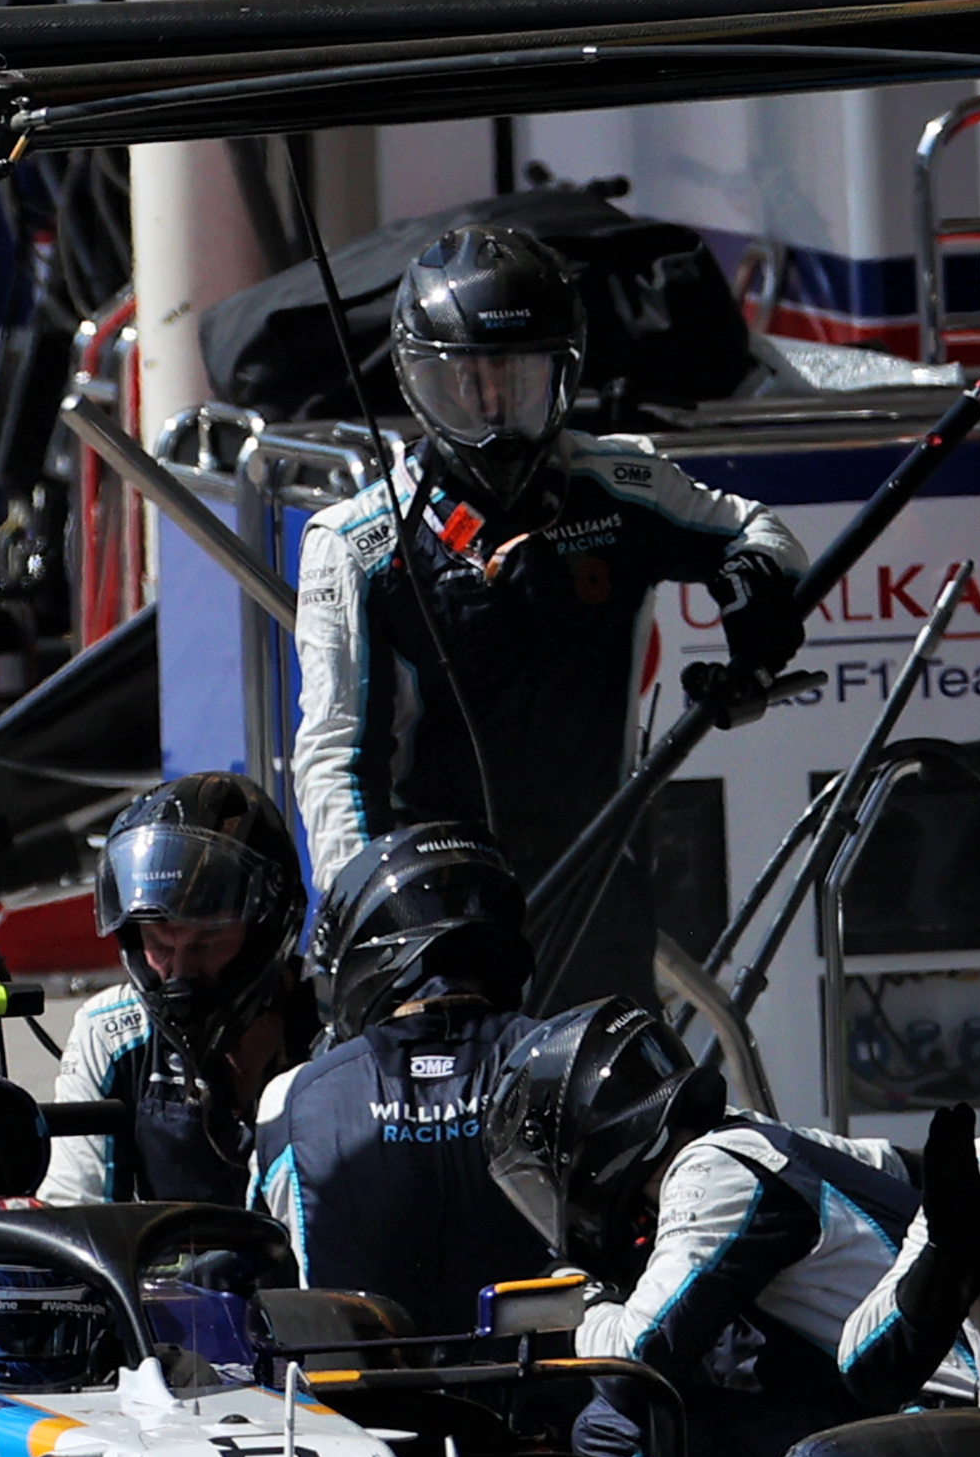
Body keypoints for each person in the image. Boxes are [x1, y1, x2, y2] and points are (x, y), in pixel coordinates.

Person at [291, 221, 801, 983]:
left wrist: (754, 594)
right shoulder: (356, 544)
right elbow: (336, 754)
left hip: (598, 885)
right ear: (414, 381)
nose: (493, 409)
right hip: (434, 913)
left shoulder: (622, 486)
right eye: (463, 384)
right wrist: (368, 900)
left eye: (519, 380)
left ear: (564, 375)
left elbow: (757, 532)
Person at [490, 994, 980, 1457]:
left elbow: (635, 1367)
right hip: (945, 1396)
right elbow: (898, 1165)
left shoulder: (713, 1170)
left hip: (924, 1417)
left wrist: (584, 1299)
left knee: (612, 1427)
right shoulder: (757, 1139)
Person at [251, 825, 556, 1335]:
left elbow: (258, 1279)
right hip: (548, 1401)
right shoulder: (569, 1059)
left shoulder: (293, 1098)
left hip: (356, 1407)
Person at [46, 775, 316, 1211]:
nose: (180, 970)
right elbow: (75, 1211)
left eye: (206, 945)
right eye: (159, 945)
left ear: (265, 928)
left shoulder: (338, 1025)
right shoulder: (109, 1034)